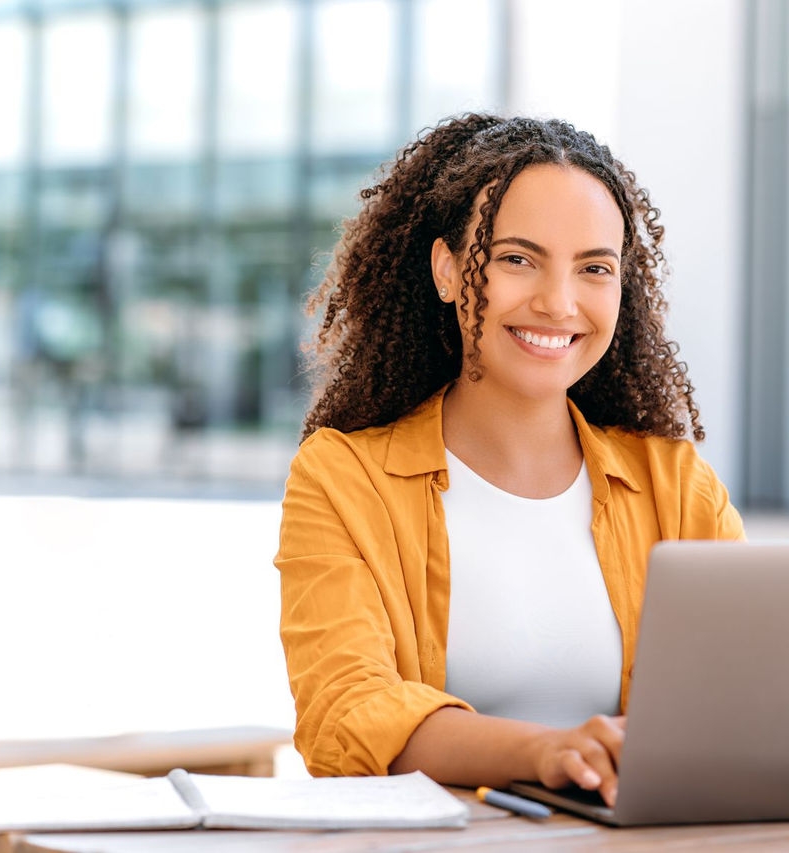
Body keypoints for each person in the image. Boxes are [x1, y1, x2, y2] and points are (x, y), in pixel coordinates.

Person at [275, 113, 744, 807]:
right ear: (446, 269)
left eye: (594, 268)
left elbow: (751, 689)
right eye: (517, 259)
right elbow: (347, 712)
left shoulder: (673, 483)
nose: (558, 302)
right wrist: (546, 751)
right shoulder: (344, 477)